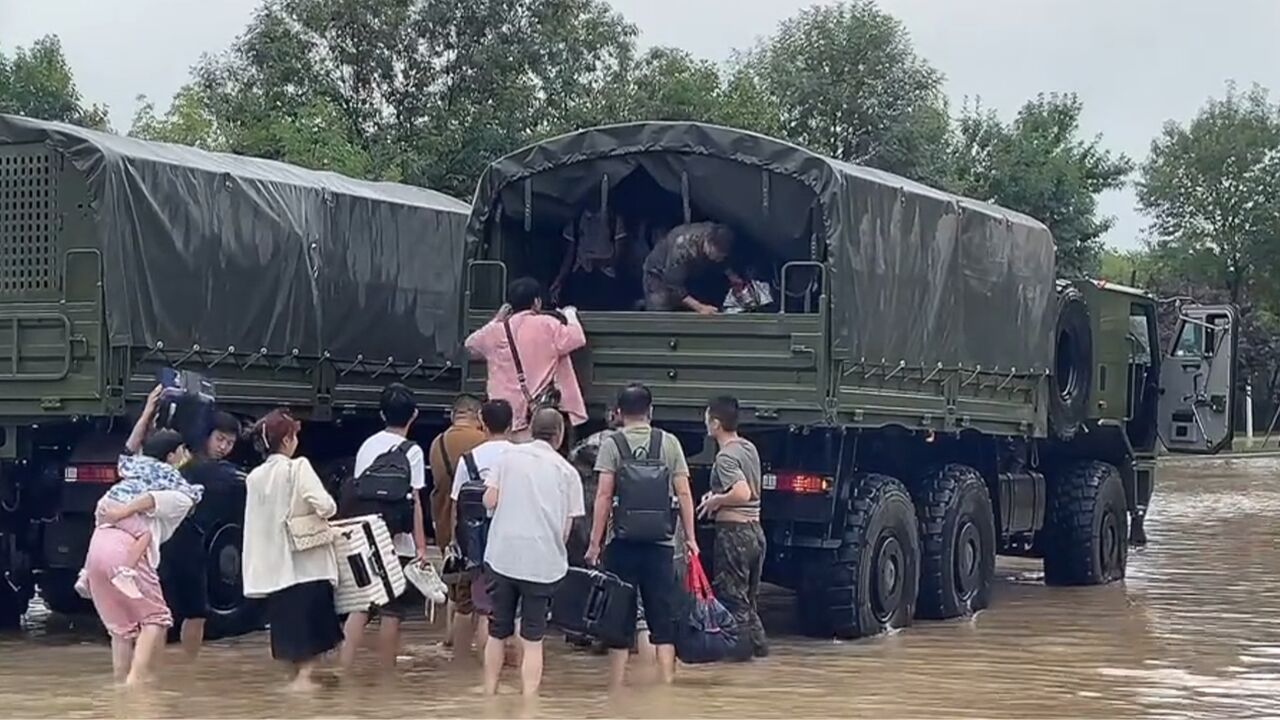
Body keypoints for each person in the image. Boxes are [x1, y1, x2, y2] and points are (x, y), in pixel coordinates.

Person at [586, 383, 699, 686]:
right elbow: (684, 493)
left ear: (619, 413)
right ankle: (666, 685)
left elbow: (604, 496)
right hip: (661, 543)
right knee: (662, 616)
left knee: (620, 617)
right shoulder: (669, 443)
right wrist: (690, 539)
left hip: (621, 543)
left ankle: (617, 685)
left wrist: (595, 543)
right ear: (651, 411)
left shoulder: (612, 444)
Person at [82, 403, 200, 686]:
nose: (187, 456)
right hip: (126, 550)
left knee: (120, 630)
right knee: (156, 619)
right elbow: (156, 500)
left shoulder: (132, 467)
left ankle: (121, 690)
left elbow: (129, 447)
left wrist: (147, 413)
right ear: (172, 455)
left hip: (97, 546)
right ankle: (136, 688)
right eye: (183, 451)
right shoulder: (175, 488)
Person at [482, 408, 585, 697]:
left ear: (529, 429)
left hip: (502, 556)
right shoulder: (568, 472)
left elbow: (489, 501)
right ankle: (529, 704)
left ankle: (489, 696)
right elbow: (566, 529)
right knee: (533, 638)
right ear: (559, 435)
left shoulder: (507, 458)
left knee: (497, 631)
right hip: (543, 563)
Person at [242, 409, 343, 692]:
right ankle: (306, 685)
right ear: (287, 439)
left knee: (290, 641)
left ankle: (296, 685)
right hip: (306, 565)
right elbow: (326, 505)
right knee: (313, 645)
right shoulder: (298, 468)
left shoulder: (254, 477)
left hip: (274, 570)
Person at [340, 383, 431, 672]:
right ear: (414, 415)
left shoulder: (367, 445)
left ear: (381, 414)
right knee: (392, 611)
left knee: (360, 606)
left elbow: (356, 494)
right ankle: (387, 677)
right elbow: (415, 500)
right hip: (396, 540)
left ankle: (344, 669)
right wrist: (420, 547)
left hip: (364, 535)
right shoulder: (412, 451)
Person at [161, 409, 242, 659]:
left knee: (168, 613)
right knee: (191, 613)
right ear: (206, 436)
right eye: (220, 439)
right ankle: (189, 667)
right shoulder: (206, 469)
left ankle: (161, 670)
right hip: (184, 544)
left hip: (169, 542)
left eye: (229, 443)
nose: (224, 447)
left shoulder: (184, 462)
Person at [464, 277, 588, 433]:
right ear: (537, 302)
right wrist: (570, 314)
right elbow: (577, 338)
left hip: (503, 415)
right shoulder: (547, 324)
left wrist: (497, 319)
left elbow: (470, 345)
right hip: (534, 413)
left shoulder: (495, 330)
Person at [697, 395, 768, 660]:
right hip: (755, 533)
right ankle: (760, 655)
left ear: (716, 424)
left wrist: (717, 500)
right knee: (748, 602)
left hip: (734, 535)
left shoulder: (725, 457)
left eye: (707, 418)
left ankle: (740, 660)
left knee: (733, 600)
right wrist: (715, 495)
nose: (704, 422)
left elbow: (742, 492)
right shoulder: (748, 447)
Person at [450, 398, 516, 639]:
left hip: (478, 539)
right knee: (515, 610)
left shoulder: (469, 459)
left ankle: (470, 668)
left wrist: (455, 543)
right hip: (512, 535)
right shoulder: (520, 456)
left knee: (482, 605)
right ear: (512, 425)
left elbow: (456, 504)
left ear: (483, 424)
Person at [428, 393, 487, 655]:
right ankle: (467, 657)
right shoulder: (482, 442)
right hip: (475, 529)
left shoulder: (436, 443)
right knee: (477, 597)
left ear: (454, 416)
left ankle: (449, 638)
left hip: (444, 526)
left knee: (455, 585)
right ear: (478, 417)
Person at [642, 222, 744, 314]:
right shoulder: (683, 248)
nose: (719, 259)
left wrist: (732, 276)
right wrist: (700, 307)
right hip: (659, 274)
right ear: (708, 244)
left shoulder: (717, 234)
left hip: (691, 273)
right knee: (660, 308)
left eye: (722, 256)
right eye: (717, 255)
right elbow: (674, 286)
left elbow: (723, 262)